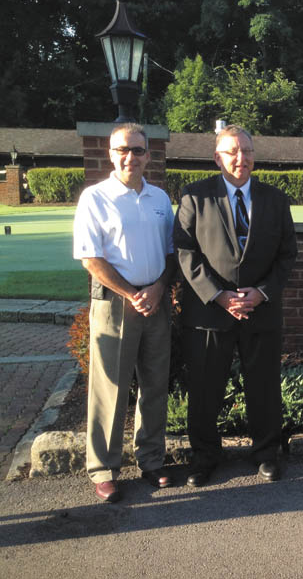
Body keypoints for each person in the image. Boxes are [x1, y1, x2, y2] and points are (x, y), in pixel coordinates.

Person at [173, 124, 297, 487]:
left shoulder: (275, 199)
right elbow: (184, 252)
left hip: (261, 311)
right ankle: (205, 456)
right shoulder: (195, 197)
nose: (240, 158)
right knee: (206, 388)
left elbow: (287, 254)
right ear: (217, 158)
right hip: (210, 312)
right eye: (232, 152)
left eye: (246, 150)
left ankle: (266, 452)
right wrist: (219, 295)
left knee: (264, 387)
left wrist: (261, 293)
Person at [73, 123, 176, 502]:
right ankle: (103, 468)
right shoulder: (95, 198)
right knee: (109, 390)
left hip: (156, 302)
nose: (129, 156)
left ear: (149, 155)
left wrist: (158, 288)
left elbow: (170, 255)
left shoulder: (160, 199)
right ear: (110, 153)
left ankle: (151, 461)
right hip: (116, 305)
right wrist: (133, 294)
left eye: (137, 150)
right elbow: (91, 259)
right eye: (122, 150)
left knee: (154, 386)